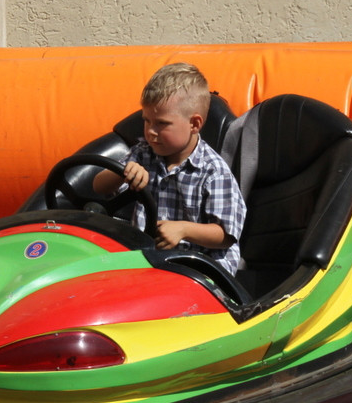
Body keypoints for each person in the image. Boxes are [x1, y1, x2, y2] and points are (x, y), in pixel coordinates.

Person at [93, 63, 246, 275]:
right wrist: (123, 172)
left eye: (161, 123)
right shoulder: (143, 154)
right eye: (147, 121)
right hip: (149, 260)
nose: (151, 131)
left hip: (200, 269)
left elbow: (225, 235)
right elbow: (99, 186)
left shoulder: (213, 172)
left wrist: (183, 230)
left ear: (194, 124)